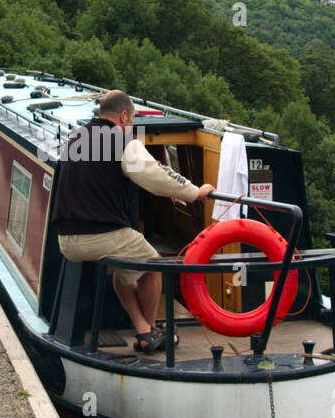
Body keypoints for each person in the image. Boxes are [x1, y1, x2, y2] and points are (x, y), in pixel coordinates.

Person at [52, 90, 214, 353]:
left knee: (125, 270)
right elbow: (157, 177)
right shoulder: (121, 141)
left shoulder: (76, 137)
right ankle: (148, 333)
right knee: (153, 266)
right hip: (100, 234)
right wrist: (196, 192)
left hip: (66, 238)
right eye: (133, 120)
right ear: (124, 116)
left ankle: (141, 326)